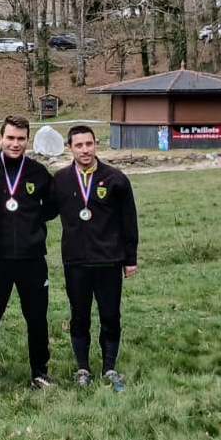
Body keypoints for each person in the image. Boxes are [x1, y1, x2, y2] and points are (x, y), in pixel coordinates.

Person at [52, 125, 138, 391]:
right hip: (76, 261)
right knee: (79, 317)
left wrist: (130, 258)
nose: (85, 150)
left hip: (108, 260)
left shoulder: (116, 179)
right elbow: (43, 210)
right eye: (79, 145)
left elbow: (128, 220)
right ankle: (82, 368)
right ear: (70, 148)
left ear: (95, 144)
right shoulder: (61, 180)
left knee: (110, 315)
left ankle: (109, 368)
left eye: (89, 144)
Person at [0, 116, 57, 392]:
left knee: (36, 318)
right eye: (10, 138)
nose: (15, 143)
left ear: (27, 140)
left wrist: (31, 222)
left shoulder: (38, 172)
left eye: (21, 138)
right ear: (0, 138)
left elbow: (52, 207)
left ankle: (40, 373)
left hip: (31, 259)